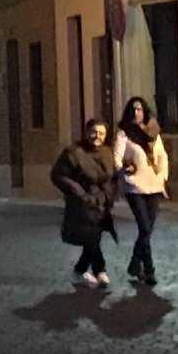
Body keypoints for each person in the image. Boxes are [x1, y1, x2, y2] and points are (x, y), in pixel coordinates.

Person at [51, 117, 121, 287]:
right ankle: (100, 270)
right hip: (82, 204)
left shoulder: (106, 152)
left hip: (102, 204)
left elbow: (110, 177)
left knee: (94, 237)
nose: (97, 136)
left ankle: (80, 269)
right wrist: (79, 193)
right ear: (86, 132)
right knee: (91, 237)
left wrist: (112, 192)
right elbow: (58, 175)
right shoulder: (73, 153)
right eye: (94, 132)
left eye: (102, 133)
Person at [113, 94, 171, 286]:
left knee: (147, 230)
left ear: (145, 111)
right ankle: (150, 270)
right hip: (135, 186)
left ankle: (135, 265)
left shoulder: (154, 132)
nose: (137, 112)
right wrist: (124, 167)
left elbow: (162, 156)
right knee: (144, 228)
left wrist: (162, 177)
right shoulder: (124, 134)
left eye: (140, 109)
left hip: (154, 185)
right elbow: (117, 157)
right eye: (133, 109)